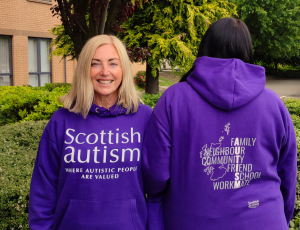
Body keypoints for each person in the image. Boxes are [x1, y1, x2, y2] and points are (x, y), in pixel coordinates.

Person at [142, 17, 297, 230]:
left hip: (190, 220)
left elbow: (154, 175)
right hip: (265, 220)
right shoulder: (274, 105)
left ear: (205, 46)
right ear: (247, 50)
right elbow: (287, 179)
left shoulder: (173, 100)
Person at [29, 35, 152, 230]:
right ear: (85, 68)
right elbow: (43, 188)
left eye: (113, 64)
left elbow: (157, 185)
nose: (105, 72)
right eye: (95, 64)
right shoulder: (62, 121)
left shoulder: (144, 118)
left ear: (124, 70)